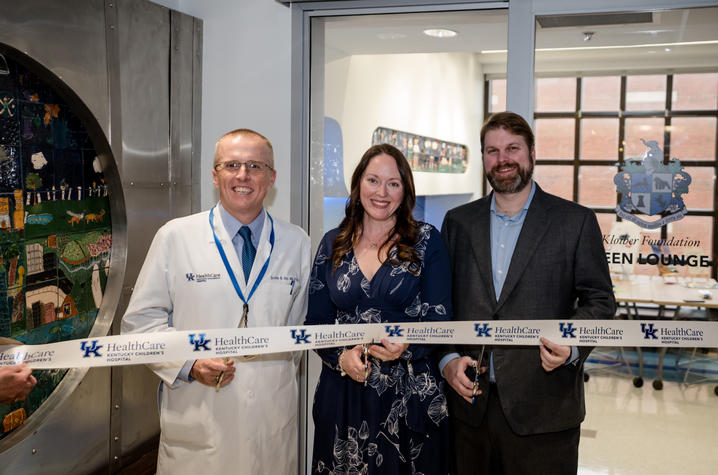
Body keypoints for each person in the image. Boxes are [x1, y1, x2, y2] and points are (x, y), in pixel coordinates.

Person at [121, 129, 311, 474]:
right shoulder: (175, 237)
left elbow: (296, 331)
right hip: (199, 417)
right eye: (232, 165)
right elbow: (139, 325)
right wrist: (190, 364)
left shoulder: (297, 242)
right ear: (215, 175)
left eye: (255, 165)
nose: (243, 175)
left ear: (271, 177)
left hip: (271, 418)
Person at [439, 112, 616, 474]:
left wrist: (572, 346)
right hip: (469, 410)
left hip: (546, 413)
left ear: (532, 153)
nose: (502, 159)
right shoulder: (458, 222)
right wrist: (447, 358)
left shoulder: (575, 221)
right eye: (492, 150)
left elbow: (599, 301)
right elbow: (443, 305)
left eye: (512, 148)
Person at [306, 144, 452, 474]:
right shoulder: (332, 243)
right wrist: (340, 356)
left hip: (409, 396)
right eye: (373, 180)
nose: (381, 192)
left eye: (393, 183)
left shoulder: (427, 242)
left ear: (405, 191)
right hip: (344, 393)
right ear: (358, 184)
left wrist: (408, 346)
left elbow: (440, 317)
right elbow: (316, 322)